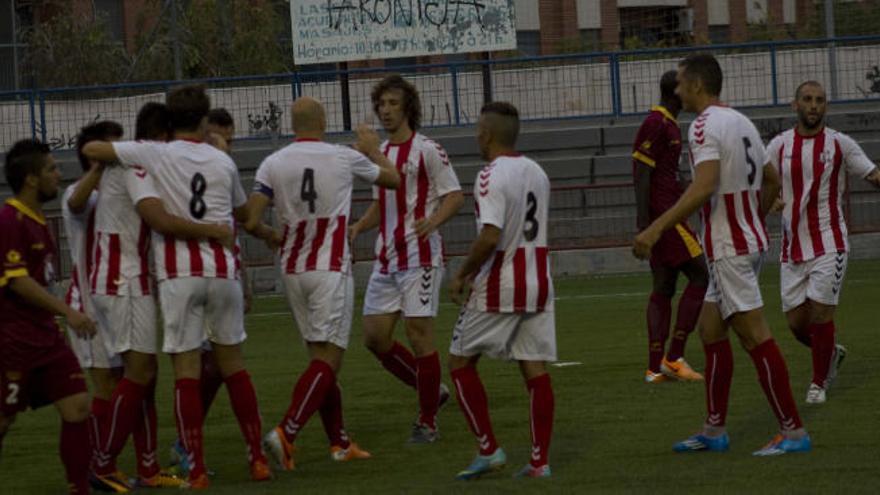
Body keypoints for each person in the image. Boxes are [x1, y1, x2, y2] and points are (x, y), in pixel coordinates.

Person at [82, 85, 277, 488]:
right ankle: (257, 458)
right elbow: (242, 213)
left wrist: (130, 149)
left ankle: (198, 468)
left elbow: (96, 151)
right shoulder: (221, 162)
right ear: (206, 120)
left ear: (170, 122)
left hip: (178, 274)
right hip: (223, 271)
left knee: (185, 370)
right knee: (234, 366)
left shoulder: (156, 154)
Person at [633, 53, 810, 456]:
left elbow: (703, 185)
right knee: (710, 330)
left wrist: (656, 228)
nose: (676, 90)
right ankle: (714, 430)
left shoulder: (703, 126)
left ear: (696, 85)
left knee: (755, 336)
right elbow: (771, 179)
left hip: (729, 247)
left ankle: (794, 431)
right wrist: (755, 216)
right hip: (742, 243)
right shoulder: (741, 122)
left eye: (680, 82)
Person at [249, 97, 400, 470]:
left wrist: (271, 233)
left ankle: (339, 441)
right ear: (325, 121)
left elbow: (251, 220)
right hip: (329, 267)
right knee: (330, 359)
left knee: (319, 358)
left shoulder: (273, 162)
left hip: (293, 269)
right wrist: (374, 149)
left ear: (293, 124)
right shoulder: (342, 156)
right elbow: (395, 180)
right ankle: (287, 431)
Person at [349, 75, 464, 443]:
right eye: (381, 104)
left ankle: (427, 420)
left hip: (421, 256)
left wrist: (433, 220)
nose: (385, 110)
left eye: (393, 103)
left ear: (408, 107)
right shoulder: (381, 154)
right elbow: (383, 205)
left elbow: (454, 196)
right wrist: (357, 227)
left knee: (418, 335)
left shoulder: (427, 149)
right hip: (388, 257)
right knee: (374, 337)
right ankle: (434, 391)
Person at [447, 102, 555, 479]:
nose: (477, 136)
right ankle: (539, 463)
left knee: (459, 363)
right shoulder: (538, 172)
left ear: (487, 134)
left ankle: (489, 449)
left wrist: (462, 273)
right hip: (539, 280)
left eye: (478, 130)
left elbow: (490, 234)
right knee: (534, 367)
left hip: (502, 282)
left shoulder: (490, 174)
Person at [766, 80, 880, 404]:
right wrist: (770, 200)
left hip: (830, 241)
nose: (813, 105)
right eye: (807, 99)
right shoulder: (778, 146)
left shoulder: (840, 144)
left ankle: (818, 384)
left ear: (825, 107)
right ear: (795, 104)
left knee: (820, 313)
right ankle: (832, 352)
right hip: (792, 248)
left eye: (819, 100)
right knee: (796, 324)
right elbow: (760, 181)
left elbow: (872, 174)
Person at [0, 139, 97, 494]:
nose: (59, 175)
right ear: (30, 179)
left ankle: (78, 487)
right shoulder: (9, 219)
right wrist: (68, 311)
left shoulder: (38, 220)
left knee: (77, 407)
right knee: (4, 419)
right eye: (51, 169)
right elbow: (18, 280)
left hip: (46, 338)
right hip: (13, 339)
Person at [632, 70, 708, 383]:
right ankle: (674, 356)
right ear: (676, 92)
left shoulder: (671, 125)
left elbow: (663, 174)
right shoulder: (656, 123)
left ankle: (654, 367)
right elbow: (641, 171)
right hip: (664, 218)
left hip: (666, 215)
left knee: (663, 286)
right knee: (702, 274)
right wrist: (644, 224)